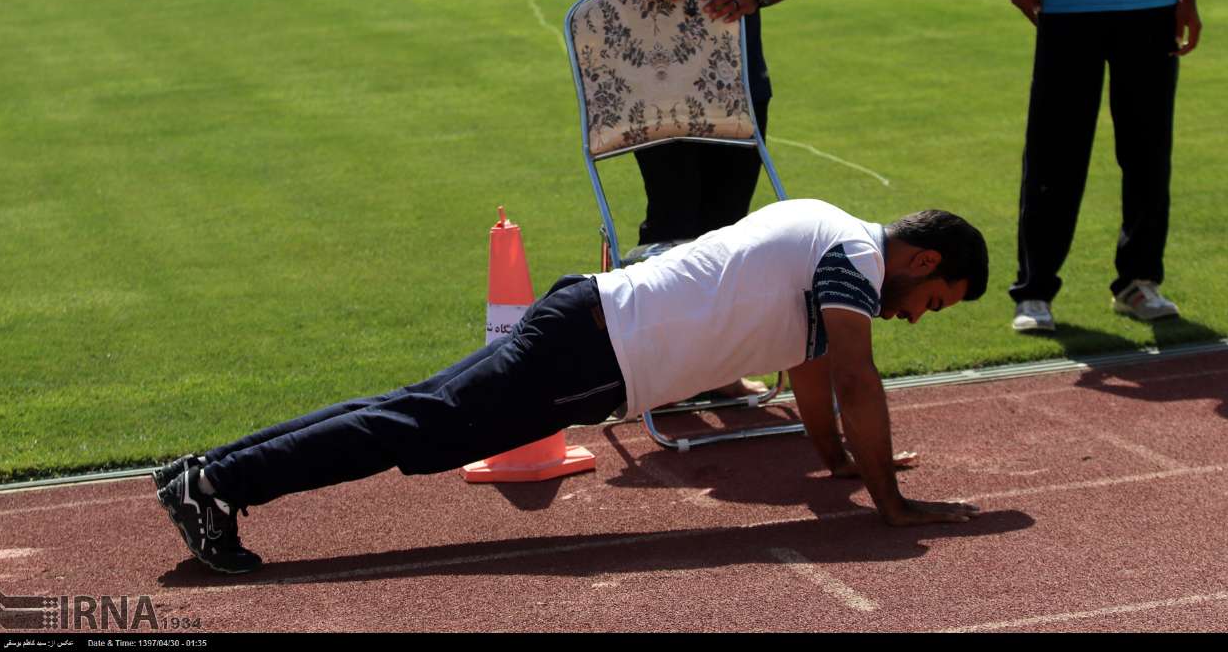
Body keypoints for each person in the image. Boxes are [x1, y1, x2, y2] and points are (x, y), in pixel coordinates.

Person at [155, 200, 987, 573]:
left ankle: (209, 474)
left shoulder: (830, 236)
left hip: (588, 328)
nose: (916, 316)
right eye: (933, 302)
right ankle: (218, 481)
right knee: (413, 425)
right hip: (592, 352)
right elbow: (854, 374)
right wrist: (891, 506)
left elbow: (813, 378)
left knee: (407, 414)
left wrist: (841, 464)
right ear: (920, 260)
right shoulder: (855, 260)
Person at [548, 0, 811, 397]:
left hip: (738, 84)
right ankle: (655, 367)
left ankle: (713, 370)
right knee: (672, 222)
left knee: (728, 229)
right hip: (652, 89)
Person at [981, 0, 1201, 333]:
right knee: (1055, 152)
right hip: (1068, 4)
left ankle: (1138, 282)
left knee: (1148, 151)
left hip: (1149, 1)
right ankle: (1034, 292)